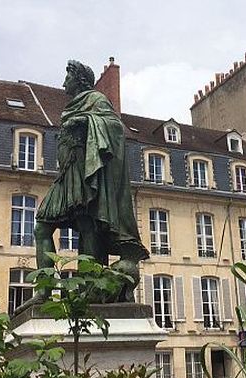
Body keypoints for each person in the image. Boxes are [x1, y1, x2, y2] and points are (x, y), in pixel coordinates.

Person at [34, 60, 148, 301]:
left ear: (80, 80)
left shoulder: (96, 100)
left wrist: (86, 121)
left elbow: (115, 126)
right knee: (41, 227)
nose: (64, 82)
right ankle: (44, 291)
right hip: (66, 174)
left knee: (89, 226)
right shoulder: (73, 105)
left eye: (68, 77)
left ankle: (87, 291)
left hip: (86, 173)